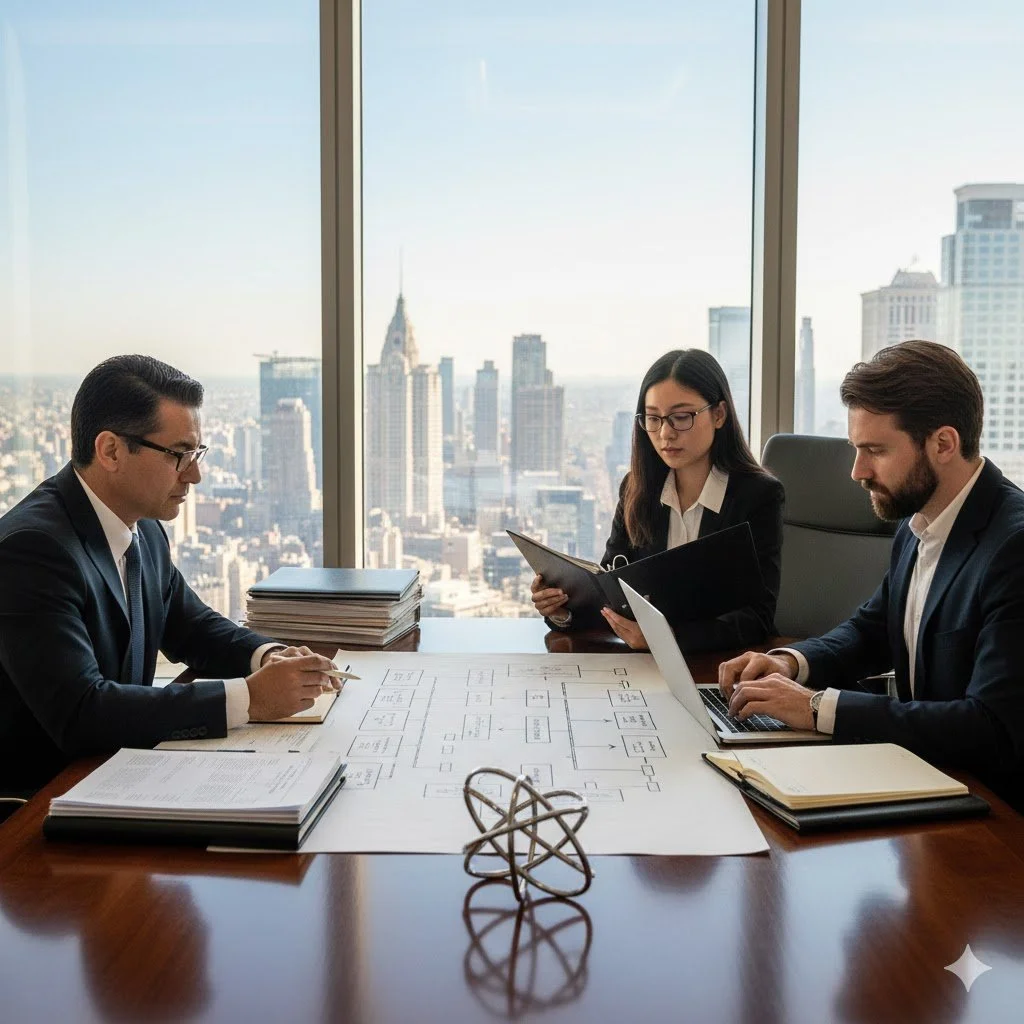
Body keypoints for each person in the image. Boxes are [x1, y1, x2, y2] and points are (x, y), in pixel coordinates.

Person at [0, 355, 337, 795]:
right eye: (179, 455)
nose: (195, 474)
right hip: (41, 804)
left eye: (196, 453)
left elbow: (191, 626)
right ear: (111, 451)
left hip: (117, 775)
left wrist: (268, 656)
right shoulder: (33, 550)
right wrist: (251, 699)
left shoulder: (142, 526)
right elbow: (81, 712)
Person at [720, 340, 1024, 811]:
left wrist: (817, 708)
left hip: (994, 811)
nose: (857, 472)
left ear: (944, 444)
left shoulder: (1013, 548)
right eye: (856, 449)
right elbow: (873, 629)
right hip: (929, 775)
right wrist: (790, 664)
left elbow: (989, 727)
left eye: (875, 450)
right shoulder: (918, 521)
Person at [531, 349, 784, 652]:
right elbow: (609, 597)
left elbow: (758, 617)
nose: (665, 433)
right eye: (653, 418)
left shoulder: (758, 496)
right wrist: (562, 610)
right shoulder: (637, 489)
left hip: (721, 665)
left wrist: (668, 639)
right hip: (642, 665)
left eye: (681, 417)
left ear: (719, 414)